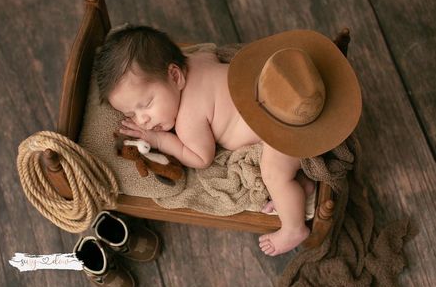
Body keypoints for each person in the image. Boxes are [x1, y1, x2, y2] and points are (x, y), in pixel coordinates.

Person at [93, 25, 361, 256]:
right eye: (131, 114)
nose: (143, 121)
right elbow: (210, 52)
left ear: (175, 75)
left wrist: (160, 140)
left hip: (281, 129)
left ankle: (294, 228)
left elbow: (200, 158)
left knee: (275, 174)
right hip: (277, 98)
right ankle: (302, 187)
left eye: (147, 105)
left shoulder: (188, 119)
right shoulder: (197, 59)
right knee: (286, 175)